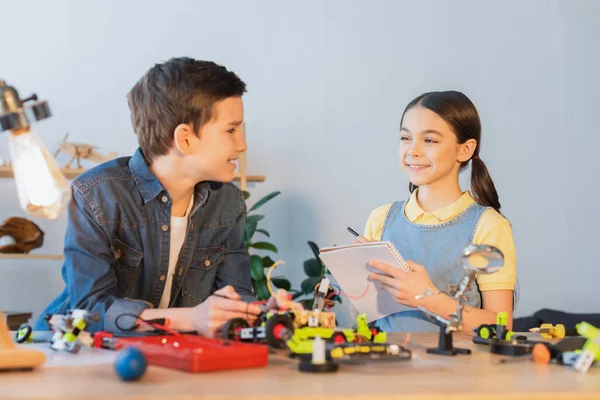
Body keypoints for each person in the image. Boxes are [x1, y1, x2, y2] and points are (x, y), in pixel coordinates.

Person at [35, 57, 285, 336]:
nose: (242, 144)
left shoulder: (228, 202)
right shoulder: (96, 195)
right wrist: (190, 319)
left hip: (171, 359)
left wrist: (259, 312)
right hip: (76, 352)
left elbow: (233, 297)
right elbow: (90, 312)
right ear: (185, 139)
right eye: (231, 130)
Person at [356, 91, 516, 332]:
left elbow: (501, 326)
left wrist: (428, 297)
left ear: (465, 150)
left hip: (458, 367)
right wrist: (355, 277)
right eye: (405, 138)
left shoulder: (488, 226)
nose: (413, 151)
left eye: (429, 140)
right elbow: (364, 320)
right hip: (388, 366)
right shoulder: (380, 218)